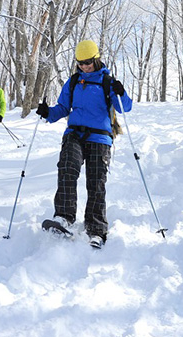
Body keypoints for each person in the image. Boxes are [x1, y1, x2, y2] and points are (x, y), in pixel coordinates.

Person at [36, 39, 131, 248]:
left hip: (100, 136)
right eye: (80, 62)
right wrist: (48, 113)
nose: (84, 66)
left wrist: (121, 92)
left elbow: (125, 108)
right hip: (74, 134)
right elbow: (62, 108)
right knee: (67, 168)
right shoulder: (73, 82)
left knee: (96, 181)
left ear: (96, 59)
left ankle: (96, 229)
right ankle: (63, 217)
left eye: (88, 62)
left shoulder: (107, 81)